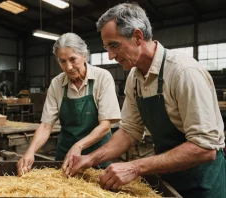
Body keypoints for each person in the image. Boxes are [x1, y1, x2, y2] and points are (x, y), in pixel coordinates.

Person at [65, 3, 225, 198]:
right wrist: (89, 159)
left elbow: (205, 148)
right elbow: (129, 131)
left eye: (114, 45)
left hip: (203, 184)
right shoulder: (134, 77)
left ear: (138, 36)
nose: (110, 56)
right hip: (169, 179)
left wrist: (135, 167)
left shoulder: (183, 72)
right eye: (107, 48)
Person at [17, 33, 121, 175]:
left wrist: (78, 146)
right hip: (66, 156)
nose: (69, 67)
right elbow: (46, 125)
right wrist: (30, 151)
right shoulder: (57, 83)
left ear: (85, 55)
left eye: (73, 59)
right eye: (62, 61)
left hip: (97, 156)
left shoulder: (102, 78)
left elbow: (105, 126)